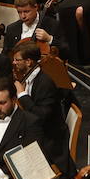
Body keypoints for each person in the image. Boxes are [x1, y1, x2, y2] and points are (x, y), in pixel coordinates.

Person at [12, 39, 68, 168]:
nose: (14, 63)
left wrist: (22, 95)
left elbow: (40, 116)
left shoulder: (45, 83)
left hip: (48, 139)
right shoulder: (27, 76)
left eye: (17, 60)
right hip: (34, 130)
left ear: (28, 62)